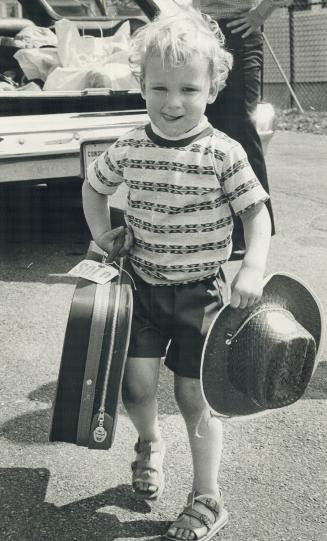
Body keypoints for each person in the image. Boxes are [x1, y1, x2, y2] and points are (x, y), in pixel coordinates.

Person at [82, 8, 271, 541]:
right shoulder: (130, 146)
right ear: (140, 84)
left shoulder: (223, 152)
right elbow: (95, 186)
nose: (172, 102)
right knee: (136, 385)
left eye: (189, 88)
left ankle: (207, 495)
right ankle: (148, 443)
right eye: (159, 87)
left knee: (196, 396)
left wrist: (252, 265)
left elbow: (256, 212)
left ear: (213, 89)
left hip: (202, 295)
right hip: (141, 287)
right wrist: (101, 234)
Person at [197, 0, 293, 251]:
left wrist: (260, 13)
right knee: (207, 132)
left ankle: (251, 233)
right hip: (201, 32)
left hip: (240, 31)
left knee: (241, 130)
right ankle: (214, 229)